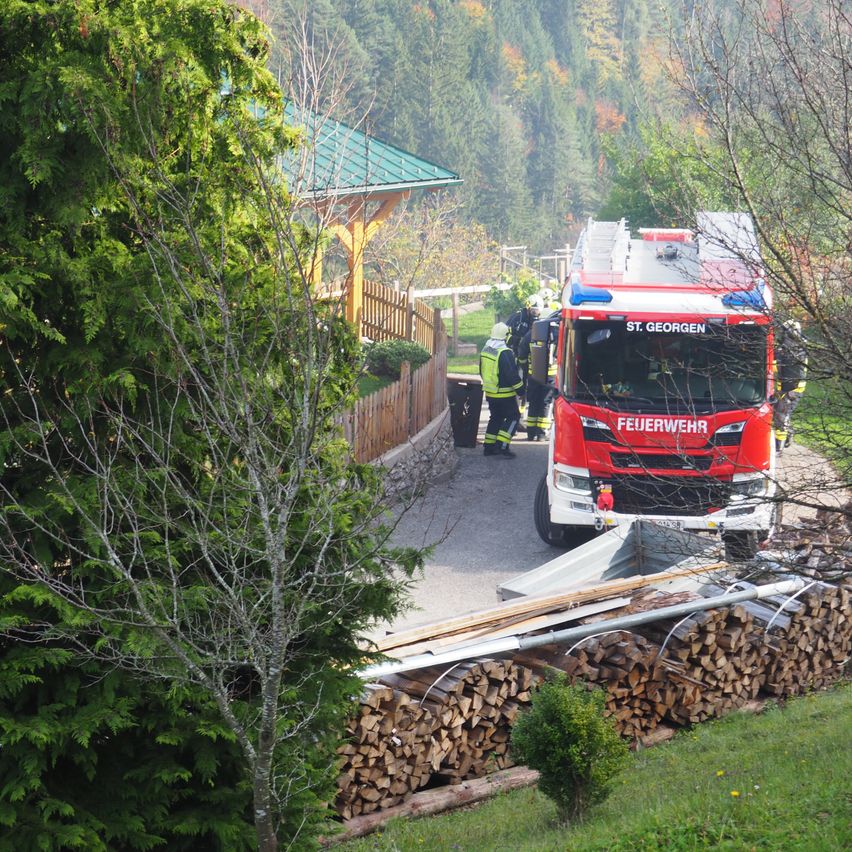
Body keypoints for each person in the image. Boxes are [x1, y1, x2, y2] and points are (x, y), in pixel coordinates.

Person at [479, 322, 524, 457]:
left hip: (490, 392)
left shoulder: (486, 349)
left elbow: (481, 370)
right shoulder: (504, 352)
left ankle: (489, 447)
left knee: (496, 418)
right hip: (504, 394)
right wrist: (521, 390)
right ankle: (502, 446)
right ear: (506, 336)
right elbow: (511, 374)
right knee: (514, 417)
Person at [518, 310, 559, 440]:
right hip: (550, 376)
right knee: (545, 403)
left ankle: (531, 433)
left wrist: (526, 369)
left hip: (534, 375)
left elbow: (522, 355)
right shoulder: (557, 334)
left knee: (534, 402)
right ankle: (541, 433)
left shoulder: (530, 334)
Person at [773, 319, 808, 451]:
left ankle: (779, 447)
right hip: (786, 388)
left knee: (781, 416)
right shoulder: (787, 348)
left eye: (784, 331)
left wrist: (788, 392)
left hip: (791, 390)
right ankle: (788, 433)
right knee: (780, 414)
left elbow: (792, 374)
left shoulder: (796, 350)